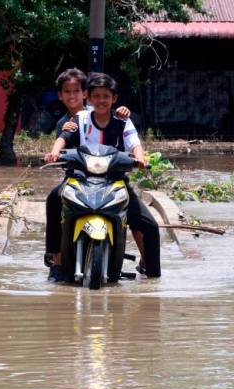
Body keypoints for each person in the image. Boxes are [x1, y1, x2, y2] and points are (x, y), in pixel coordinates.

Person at [44, 73, 161, 281]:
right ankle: (57, 261)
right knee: (53, 199)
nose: (101, 101)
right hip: (80, 179)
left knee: (149, 225)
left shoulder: (123, 120)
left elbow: (135, 144)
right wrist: (54, 152)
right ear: (88, 98)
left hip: (115, 181)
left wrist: (140, 159)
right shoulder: (79, 119)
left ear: (114, 98)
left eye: (106, 96)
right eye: (96, 96)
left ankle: (151, 271)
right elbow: (64, 138)